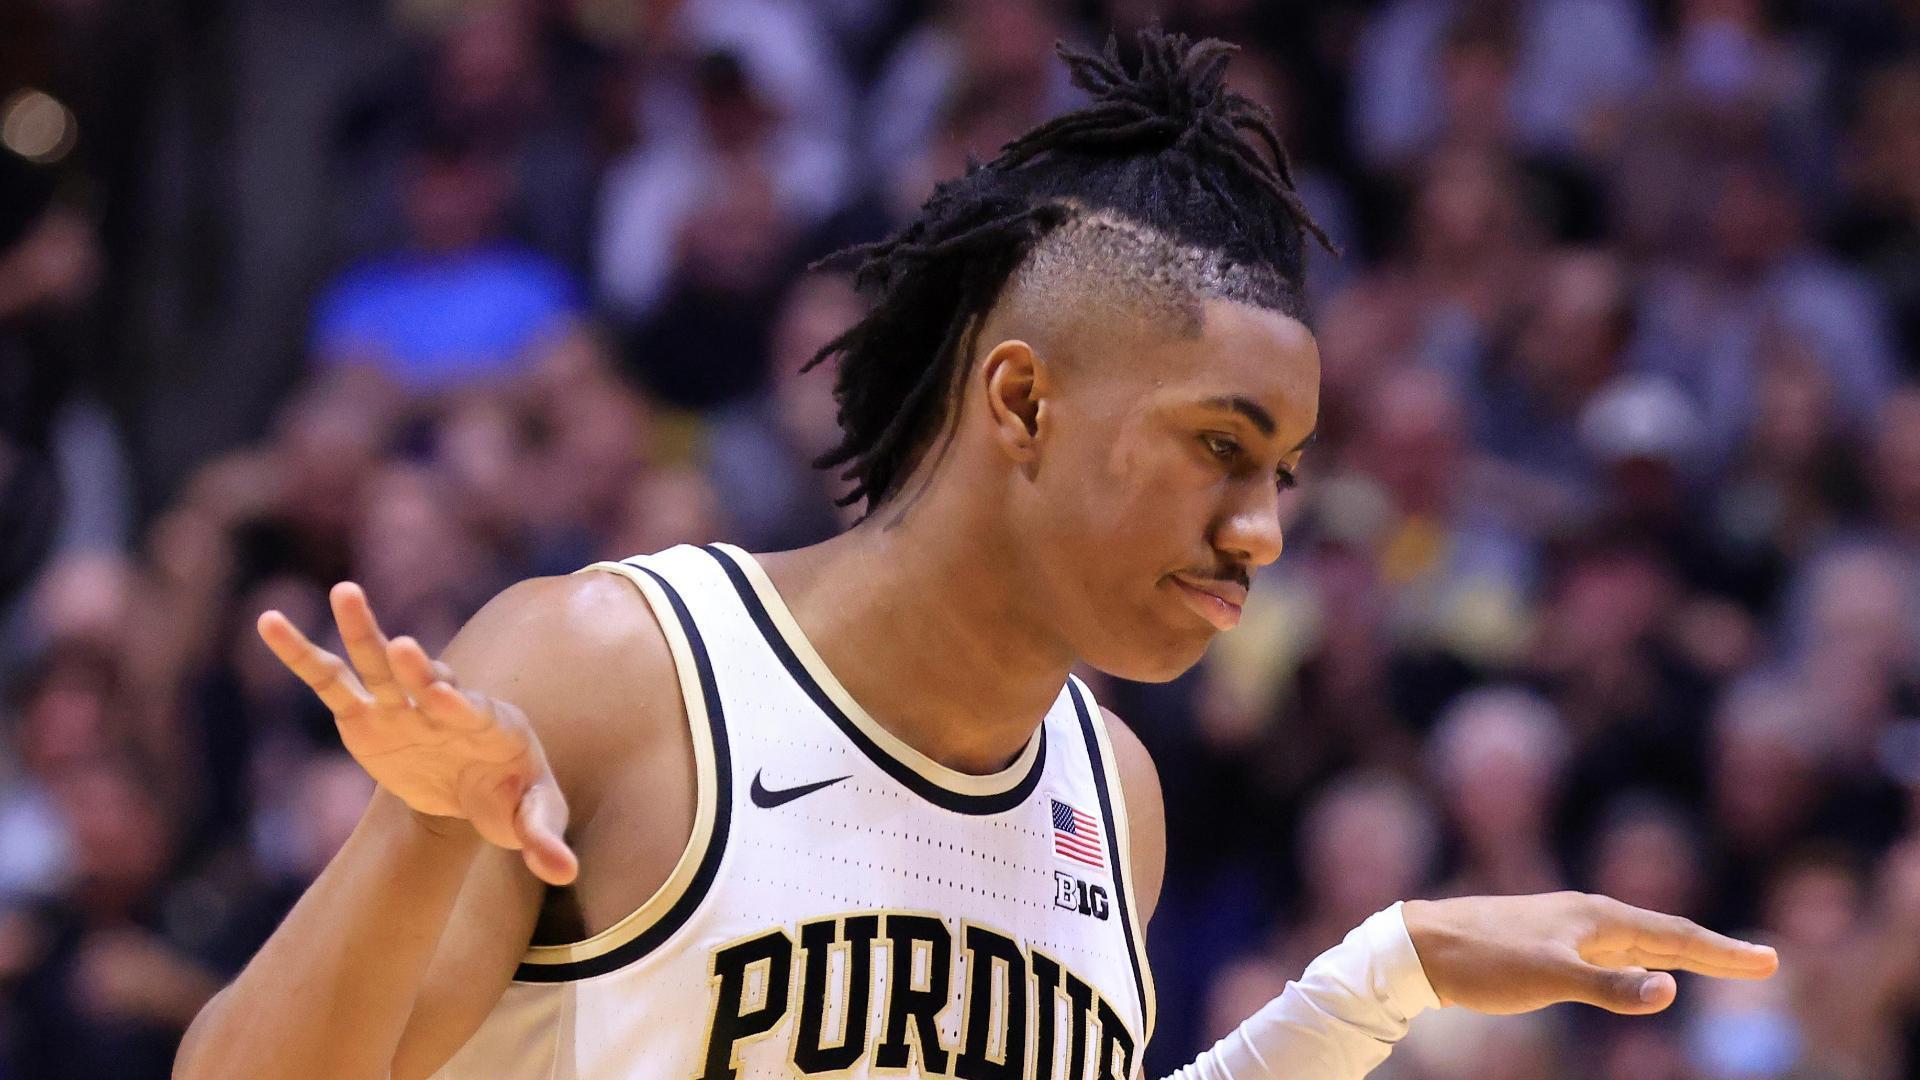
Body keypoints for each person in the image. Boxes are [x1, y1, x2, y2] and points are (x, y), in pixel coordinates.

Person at [173, 31, 1777, 1080]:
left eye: (1285, 474)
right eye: (1221, 448)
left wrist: (1386, 974)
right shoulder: (618, 668)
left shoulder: (1113, 794)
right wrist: (420, 833)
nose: (1264, 529)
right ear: (1020, 401)